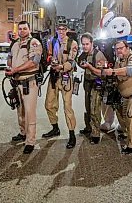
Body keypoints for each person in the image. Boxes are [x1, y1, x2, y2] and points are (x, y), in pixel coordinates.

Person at [103, 40, 132, 154]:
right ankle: (125, 134)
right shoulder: (119, 60)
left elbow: (130, 70)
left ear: (127, 47)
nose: (118, 50)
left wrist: (112, 72)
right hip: (125, 95)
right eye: (116, 49)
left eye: (121, 48)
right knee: (122, 115)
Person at [6, 20, 43, 154]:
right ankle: (23, 133)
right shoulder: (15, 43)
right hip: (16, 82)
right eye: (20, 29)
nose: (22, 31)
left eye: (24, 28)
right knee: (20, 111)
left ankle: (30, 141)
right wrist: (9, 67)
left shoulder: (34, 43)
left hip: (29, 82)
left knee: (29, 113)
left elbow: (34, 62)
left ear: (29, 29)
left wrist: (15, 70)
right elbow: (9, 57)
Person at [42, 24, 78, 149]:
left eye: (63, 29)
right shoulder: (53, 41)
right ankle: (55, 128)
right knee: (49, 104)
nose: (61, 31)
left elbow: (72, 61)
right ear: (56, 30)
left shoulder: (72, 44)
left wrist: (62, 67)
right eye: (59, 29)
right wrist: (51, 60)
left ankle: (72, 134)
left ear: (67, 30)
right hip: (54, 77)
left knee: (67, 107)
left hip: (66, 78)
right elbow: (50, 54)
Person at [78, 32, 107, 144]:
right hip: (88, 83)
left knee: (95, 108)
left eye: (87, 44)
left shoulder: (98, 55)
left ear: (92, 43)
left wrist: (89, 66)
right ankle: (89, 128)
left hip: (96, 84)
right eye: (83, 44)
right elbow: (79, 61)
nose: (85, 46)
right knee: (88, 108)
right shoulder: (84, 54)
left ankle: (96, 133)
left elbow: (101, 73)